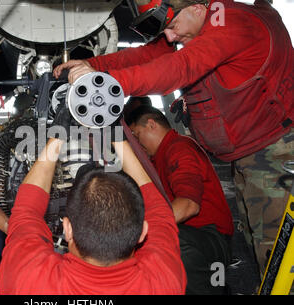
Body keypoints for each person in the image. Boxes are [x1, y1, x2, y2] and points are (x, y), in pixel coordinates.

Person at [54, 0, 293, 276]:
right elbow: (145, 57)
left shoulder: (231, 23)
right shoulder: (197, 26)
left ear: (198, 8)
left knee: (278, 249)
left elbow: (179, 68)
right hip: (246, 154)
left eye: (172, 27)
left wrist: (105, 83)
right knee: (258, 238)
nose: (169, 37)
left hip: (273, 152)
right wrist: (92, 64)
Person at [0, 105, 187, 294]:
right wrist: (118, 137)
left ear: (68, 229)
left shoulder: (29, 281)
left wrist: (56, 137)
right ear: (142, 231)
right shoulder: (164, 281)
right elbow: (160, 213)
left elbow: (25, 212)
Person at [127, 102, 233, 294]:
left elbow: (189, 205)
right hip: (195, 235)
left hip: (209, 238)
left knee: (164, 238)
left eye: (136, 135)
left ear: (151, 125)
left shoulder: (179, 148)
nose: (137, 143)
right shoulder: (158, 158)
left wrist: (138, 231)